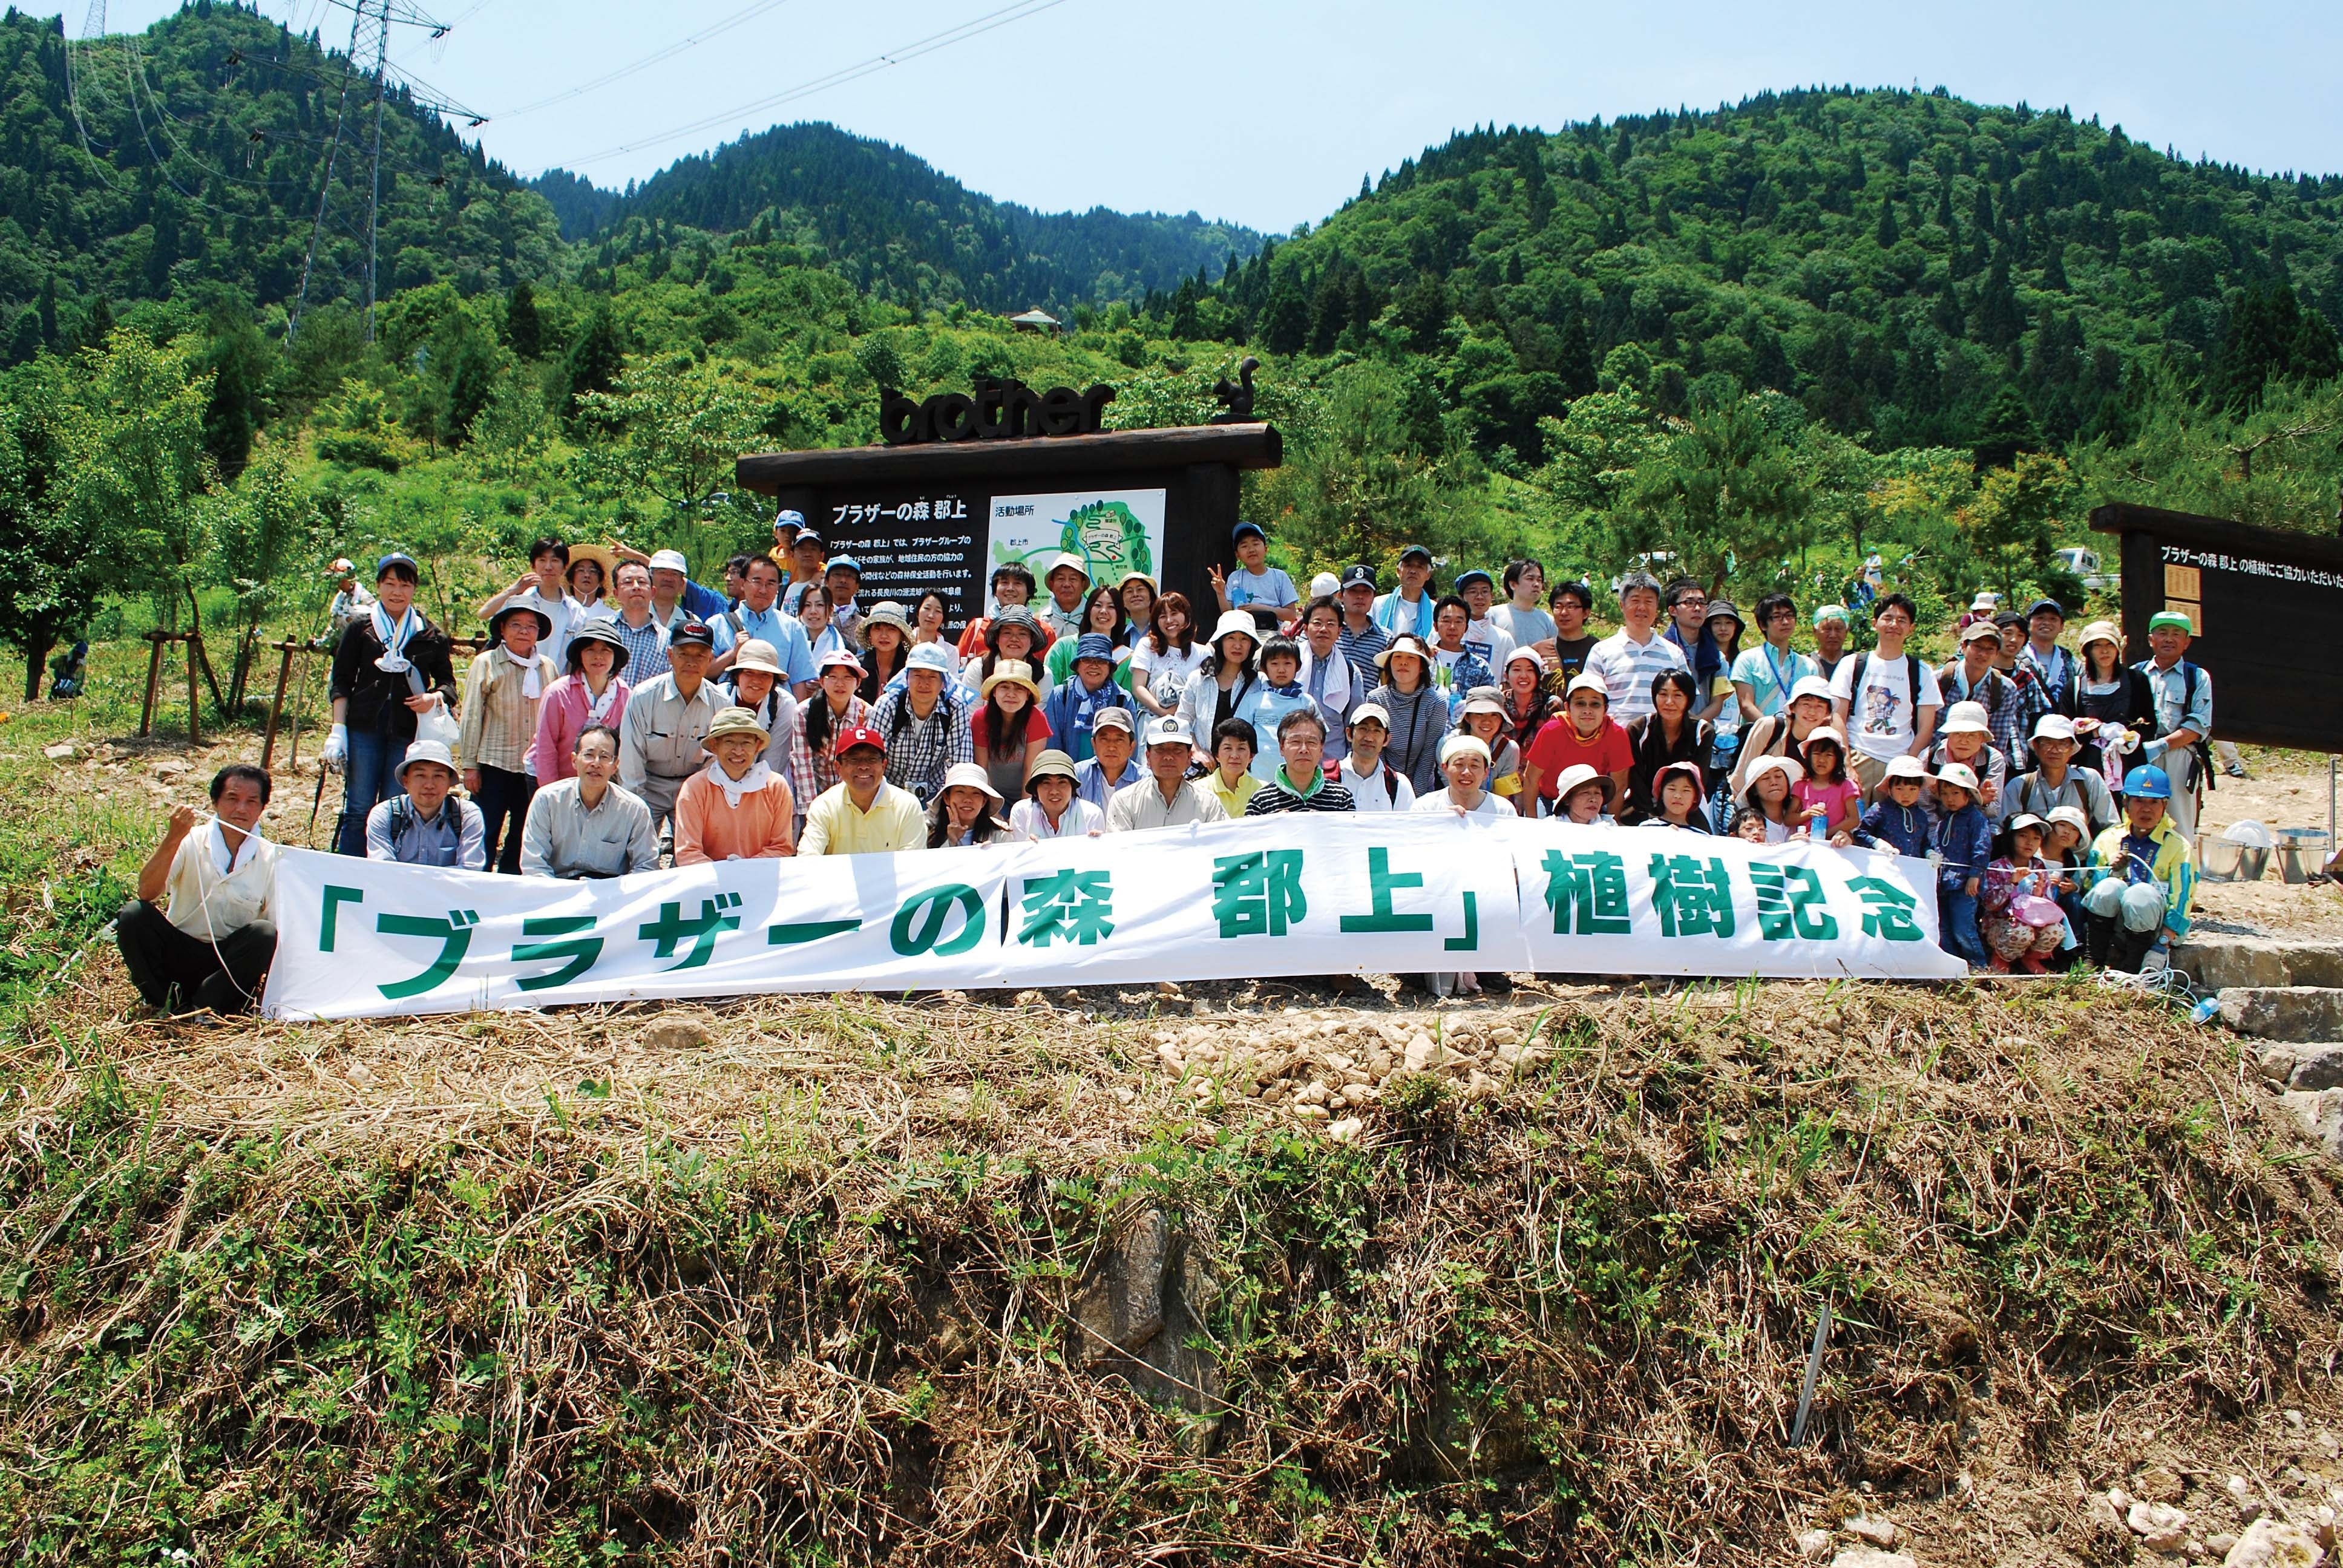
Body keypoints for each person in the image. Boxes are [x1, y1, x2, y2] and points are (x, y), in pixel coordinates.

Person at [324, 552, 459, 858]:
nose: (397, 592)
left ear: (414, 590)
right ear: (378, 586)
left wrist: (432, 698)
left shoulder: (428, 633)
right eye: (390, 584)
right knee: (358, 806)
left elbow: (448, 684)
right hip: (363, 727)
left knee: (392, 806)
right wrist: (338, 728)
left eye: (405, 585)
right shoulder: (361, 628)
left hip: (406, 730)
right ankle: (349, 870)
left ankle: (386, 873)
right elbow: (342, 680)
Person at [117, 764, 278, 1013]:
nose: (241, 809)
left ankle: (209, 1005)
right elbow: (147, 892)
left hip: (226, 965)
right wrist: (173, 838)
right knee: (134, 915)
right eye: (232, 799)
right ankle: (166, 1003)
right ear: (215, 801)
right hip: (180, 950)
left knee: (264, 932)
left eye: (252, 801)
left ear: (262, 808)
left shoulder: (271, 858)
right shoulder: (190, 840)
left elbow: (277, 926)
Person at [454, 602, 554, 874]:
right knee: (484, 832)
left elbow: (552, 718)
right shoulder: (486, 663)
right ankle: (475, 887)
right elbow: (473, 714)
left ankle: (510, 890)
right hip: (493, 763)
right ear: (502, 629)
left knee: (523, 836)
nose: (524, 631)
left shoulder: (547, 667)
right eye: (516, 625)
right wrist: (470, 765)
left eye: (531, 626)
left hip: (531, 769)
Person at [2079, 765, 2197, 973]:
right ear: (2125, 803)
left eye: (2154, 802)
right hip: (2114, 921)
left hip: (2157, 926)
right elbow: (2090, 888)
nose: (2147, 809)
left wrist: (2163, 942)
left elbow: (2183, 898)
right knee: (2109, 886)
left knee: (2140, 894)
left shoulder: (2178, 846)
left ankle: (2133, 968)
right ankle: (2092, 961)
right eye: (2139, 801)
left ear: (2165, 805)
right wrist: (2111, 872)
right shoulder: (2109, 839)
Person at [618, 620, 726, 838]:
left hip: (694, 786)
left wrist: (702, 799)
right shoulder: (643, 697)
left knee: (692, 860)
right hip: (649, 785)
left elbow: (717, 760)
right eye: (684, 653)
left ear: (710, 660)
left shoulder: (722, 704)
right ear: (669, 655)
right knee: (635, 855)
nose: (691, 662)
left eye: (700, 655)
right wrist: (635, 811)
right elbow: (631, 759)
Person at [1830, 593, 1942, 799]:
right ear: (1875, 623)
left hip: (1898, 760)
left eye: (1902, 620)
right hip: (1856, 755)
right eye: (1888, 618)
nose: (1894, 625)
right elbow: (1838, 716)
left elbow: (1926, 726)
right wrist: (1846, 761)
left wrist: (1908, 763)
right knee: (1849, 824)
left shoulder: (1921, 671)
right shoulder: (1852, 664)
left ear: (1912, 628)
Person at [522, 725, 660, 879]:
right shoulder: (547, 801)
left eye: (605, 757)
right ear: (574, 760)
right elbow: (533, 865)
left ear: (615, 766)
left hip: (610, 894)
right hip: (557, 891)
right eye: (589, 755)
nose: (596, 763)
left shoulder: (635, 810)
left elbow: (646, 867)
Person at [670, 707, 797, 865]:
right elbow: (688, 853)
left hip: (761, 877)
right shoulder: (695, 788)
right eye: (729, 742)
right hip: (709, 883)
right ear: (715, 746)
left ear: (757, 746)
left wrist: (744, 871)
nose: (738, 751)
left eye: (746, 743)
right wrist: (725, 877)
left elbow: (781, 847)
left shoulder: (776, 787)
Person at [2135, 609, 2214, 844]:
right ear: (2151, 640)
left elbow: (2198, 726)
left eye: (2176, 634)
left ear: (2187, 642)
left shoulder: (2198, 677)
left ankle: (2182, 875)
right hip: (2138, 755)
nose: (2169, 639)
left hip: (2180, 755)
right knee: (2137, 816)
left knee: (2179, 822)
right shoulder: (2134, 674)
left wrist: (2161, 745)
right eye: (2163, 633)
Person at [871, 642, 975, 805]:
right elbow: (872, 759)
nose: (924, 683)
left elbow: (960, 767)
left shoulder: (955, 707)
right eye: (917, 675)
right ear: (907, 678)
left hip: (934, 796)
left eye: (932, 676)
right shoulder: (888, 705)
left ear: (943, 683)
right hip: (888, 794)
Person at [531, 621, 631, 788]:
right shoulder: (558, 692)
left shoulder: (625, 694)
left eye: (606, 650)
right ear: (580, 655)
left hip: (596, 782)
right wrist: (551, 793)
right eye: (590, 650)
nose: (598, 657)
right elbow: (546, 747)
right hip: (552, 778)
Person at [799, 725, 923, 855]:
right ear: (838, 767)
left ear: (884, 765)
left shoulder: (907, 806)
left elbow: (912, 866)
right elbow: (808, 858)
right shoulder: (825, 806)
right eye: (854, 760)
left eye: (872, 759)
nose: (863, 766)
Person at [2059, 619, 2154, 786]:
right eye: (2097, 645)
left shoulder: (2137, 681)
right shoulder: (2074, 687)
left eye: (2109, 645)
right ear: (2088, 650)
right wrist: (2098, 732)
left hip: (2130, 764)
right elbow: (2066, 731)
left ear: (2117, 648)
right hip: (2088, 768)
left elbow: (2150, 723)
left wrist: (2128, 737)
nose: (2104, 651)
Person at [1521, 672, 1631, 816]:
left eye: (1595, 704)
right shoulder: (1551, 731)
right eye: (1580, 703)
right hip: (1550, 800)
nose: (1587, 710)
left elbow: (1619, 786)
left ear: (1605, 709)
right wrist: (1532, 821)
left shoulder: (1617, 735)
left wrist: (1613, 823)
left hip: (1594, 804)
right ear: (1567, 708)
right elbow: (1531, 778)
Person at [1585, 570, 1687, 725]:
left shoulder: (1674, 654)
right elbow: (1588, 697)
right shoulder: (1601, 651)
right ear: (1622, 605)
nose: (1642, 607)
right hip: (1616, 740)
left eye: (1649, 601)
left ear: (1657, 607)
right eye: (1635, 600)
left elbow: (1686, 698)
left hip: (1661, 743)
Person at [367, 740, 487, 868]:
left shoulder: (466, 816)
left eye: (438, 776)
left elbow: (471, 869)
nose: (429, 785)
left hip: (447, 889)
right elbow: (381, 870)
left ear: (449, 782)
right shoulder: (385, 815)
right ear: (406, 781)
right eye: (420, 775)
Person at [790, 648, 874, 828]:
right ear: (821, 681)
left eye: (848, 678)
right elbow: (803, 764)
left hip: (853, 795)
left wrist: (845, 805)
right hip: (815, 791)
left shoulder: (866, 714)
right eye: (833, 677)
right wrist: (812, 811)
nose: (840, 684)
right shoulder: (804, 712)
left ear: (858, 684)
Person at [1981, 813, 2071, 974]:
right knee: (2022, 931)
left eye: (2036, 838)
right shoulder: (1997, 867)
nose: (2030, 843)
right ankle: (2001, 957)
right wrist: (2011, 883)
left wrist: (2038, 894)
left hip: (2034, 923)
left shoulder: (2038, 866)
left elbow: (2048, 903)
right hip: (2000, 924)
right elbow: (1989, 904)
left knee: (2055, 930)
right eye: (2023, 836)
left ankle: (2030, 959)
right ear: (2011, 838)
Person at [1622, 670, 1714, 826]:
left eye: (1678, 695)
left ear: (1689, 699)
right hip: (1642, 808)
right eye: (1663, 694)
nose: (1669, 702)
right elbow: (1635, 778)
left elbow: (1698, 780)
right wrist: (1655, 817)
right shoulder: (1638, 729)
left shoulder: (1703, 731)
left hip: (1685, 809)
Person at [1109, 716, 1230, 831]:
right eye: (1160, 749)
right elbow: (1119, 848)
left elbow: (1222, 847)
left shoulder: (1208, 803)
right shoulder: (1124, 801)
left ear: (1189, 758)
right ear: (1148, 757)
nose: (1168, 757)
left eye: (1177, 750)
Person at [1365, 635, 1449, 798]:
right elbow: (1377, 749)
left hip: (1420, 784)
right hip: (1380, 781)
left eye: (1411, 658)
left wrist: (1414, 797)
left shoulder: (1435, 702)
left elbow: (1429, 753)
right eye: (1397, 657)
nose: (1403, 662)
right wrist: (1386, 787)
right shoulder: (1376, 698)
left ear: (1422, 667)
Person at [2007, 715, 2118, 835]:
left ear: (2071, 749)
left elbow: (2112, 827)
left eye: (2062, 744)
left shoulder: (2089, 779)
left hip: (2079, 853)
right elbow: (2005, 828)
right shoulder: (2019, 786)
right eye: (2047, 743)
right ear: (2036, 747)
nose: (2055, 750)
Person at [710, 556, 809, 690]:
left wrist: (796, 711)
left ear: (778, 588)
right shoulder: (718, 624)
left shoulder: (792, 628)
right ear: (743, 584)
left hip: (777, 708)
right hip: (730, 707)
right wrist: (733, 653)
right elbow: (704, 672)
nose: (763, 590)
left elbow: (798, 681)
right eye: (757, 582)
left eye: (771, 583)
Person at [477, 538, 574, 668]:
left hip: (552, 681)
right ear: (533, 566)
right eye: (542, 560)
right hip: (514, 677)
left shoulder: (575, 610)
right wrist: (514, 589)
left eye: (555, 561)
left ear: (565, 568)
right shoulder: (520, 599)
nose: (548, 567)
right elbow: (483, 613)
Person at [1041, 633, 1135, 765]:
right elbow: (1053, 745)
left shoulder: (1123, 698)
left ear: (1110, 667)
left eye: (1101, 661)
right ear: (1078, 665)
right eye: (1087, 660)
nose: (1094, 666)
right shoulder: (1061, 695)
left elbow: (1130, 750)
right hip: (1069, 776)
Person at [1178, 612, 1262, 759]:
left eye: (1244, 639)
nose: (1238, 645)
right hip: (1204, 767)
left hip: (1243, 769)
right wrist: (1196, 751)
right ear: (1220, 642)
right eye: (1231, 638)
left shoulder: (1260, 683)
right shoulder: (1198, 679)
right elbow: (1182, 721)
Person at [1938, 619, 2025, 763]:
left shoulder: (2005, 689)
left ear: (1997, 653)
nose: (1983, 654)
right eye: (1978, 647)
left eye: (1990, 649)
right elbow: (1931, 731)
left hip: (1978, 764)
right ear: (1963, 647)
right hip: (1937, 760)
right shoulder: (1940, 680)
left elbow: (1998, 740)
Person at [1734, 676, 1835, 797]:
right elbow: (1743, 772)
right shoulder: (1770, 727)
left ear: (1827, 712)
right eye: (1806, 704)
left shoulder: (1828, 740)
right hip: (1756, 804)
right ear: (1793, 707)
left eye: (1820, 706)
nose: (1812, 712)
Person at [1232, 635, 1316, 780]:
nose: (1281, 670)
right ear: (1264, 668)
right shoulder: (1254, 700)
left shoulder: (1306, 702)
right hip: (1257, 778)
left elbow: (1319, 738)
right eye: (1275, 664)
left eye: (1288, 663)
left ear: (1298, 667)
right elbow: (1238, 734)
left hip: (1297, 779)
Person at [1931, 762, 1990, 966]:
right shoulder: (1944, 821)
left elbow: (1981, 848)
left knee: (1963, 928)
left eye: (1956, 793)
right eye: (1945, 793)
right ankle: (1953, 966)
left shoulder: (1976, 819)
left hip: (1964, 884)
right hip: (1944, 883)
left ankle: (1979, 966)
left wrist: (1975, 875)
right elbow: (1937, 847)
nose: (1950, 799)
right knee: (1944, 928)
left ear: (1968, 795)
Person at [1244, 708, 1357, 814]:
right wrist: (1274, 825)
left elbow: (1350, 834)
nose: (1304, 750)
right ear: (1282, 747)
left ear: (1321, 749)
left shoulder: (1342, 797)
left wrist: (1325, 825)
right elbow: (1250, 835)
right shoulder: (1260, 801)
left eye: (1311, 742)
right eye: (1295, 742)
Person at [719, 638, 802, 777]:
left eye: (765, 675)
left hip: (762, 782)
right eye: (749, 673)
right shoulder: (718, 697)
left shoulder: (784, 704)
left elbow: (775, 760)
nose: (757, 681)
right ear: (737, 675)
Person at [972, 659, 1051, 803]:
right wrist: (992, 810)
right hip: (989, 794)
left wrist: (1022, 811)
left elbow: (1030, 770)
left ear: (1028, 695)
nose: (1011, 694)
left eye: (1019, 688)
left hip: (1028, 795)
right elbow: (982, 768)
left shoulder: (1037, 719)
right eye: (1004, 687)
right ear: (994, 692)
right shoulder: (980, 718)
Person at [1731, 593, 1812, 724]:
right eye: (1777, 617)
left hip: (1798, 738)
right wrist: (1773, 731)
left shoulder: (1808, 665)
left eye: (1790, 615)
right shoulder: (1747, 660)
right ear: (1763, 625)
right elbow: (1746, 705)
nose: (1785, 622)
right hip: (1759, 737)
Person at [1923, 702, 2008, 825]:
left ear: (1983, 738)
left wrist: (1983, 802)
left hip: (1975, 826)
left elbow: (1993, 811)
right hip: (1937, 825)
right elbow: (1924, 807)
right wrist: (1937, 837)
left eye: (1972, 735)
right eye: (1957, 733)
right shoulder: (1929, 757)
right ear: (1948, 734)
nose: (1964, 741)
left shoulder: (1993, 760)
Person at [1296, 596, 1357, 765]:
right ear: (1305, 629)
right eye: (1317, 623)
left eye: (1331, 624)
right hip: (1292, 756)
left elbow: (1353, 724)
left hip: (1332, 761)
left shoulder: (1351, 671)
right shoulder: (1288, 663)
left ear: (1339, 631)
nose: (1323, 629)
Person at [1039, 584, 1132, 691]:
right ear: (1088, 610)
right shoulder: (1063, 647)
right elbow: (1049, 691)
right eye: (1098, 605)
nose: (1103, 611)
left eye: (1111, 607)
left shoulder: (1128, 658)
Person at [1131, 590, 1207, 717]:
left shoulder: (1203, 653)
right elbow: (1138, 687)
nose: (1169, 620)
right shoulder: (1146, 645)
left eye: (1174, 613)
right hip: (1153, 722)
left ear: (1186, 615)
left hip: (1189, 724)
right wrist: (1164, 713)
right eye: (1162, 616)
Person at [1852, 754, 1936, 859]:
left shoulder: (1921, 816)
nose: (1906, 795)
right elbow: (1859, 833)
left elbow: (1923, 843)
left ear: (1920, 790)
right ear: (1889, 789)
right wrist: (1876, 843)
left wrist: (1929, 853)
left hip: (1912, 871)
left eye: (1913, 789)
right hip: (1883, 866)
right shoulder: (1879, 810)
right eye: (1900, 789)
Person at [1337, 702, 1416, 812]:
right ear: (1349, 734)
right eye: (1363, 729)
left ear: (1386, 739)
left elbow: (1407, 827)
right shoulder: (1327, 778)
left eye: (1377, 731)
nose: (1369, 738)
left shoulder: (1399, 785)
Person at [964, 605, 1050, 705]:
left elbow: (1039, 715)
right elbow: (971, 713)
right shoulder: (978, 667)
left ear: (1032, 642)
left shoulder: (1043, 673)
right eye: (1007, 633)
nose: (1014, 639)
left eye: (1022, 634)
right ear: (997, 639)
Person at [956, 562, 1043, 660]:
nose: (1010, 589)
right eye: (1004, 583)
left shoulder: (1044, 630)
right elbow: (958, 665)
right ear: (995, 590)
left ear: (1029, 592)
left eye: (1018, 583)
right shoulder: (976, 628)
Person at [1453, 690, 1524, 808]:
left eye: (1494, 715)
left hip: (1491, 812)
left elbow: (1503, 796)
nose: (1487, 721)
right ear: (1468, 718)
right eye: (1479, 714)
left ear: (1502, 719)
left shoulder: (1510, 749)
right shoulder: (1449, 743)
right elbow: (1450, 788)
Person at [605, 560, 673, 684]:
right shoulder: (602, 629)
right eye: (628, 582)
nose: (636, 587)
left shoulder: (667, 639)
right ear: (616, 594)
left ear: (653, 592)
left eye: (642, 582)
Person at [1011, 750, 1104, 840]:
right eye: (1046, 783)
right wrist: (1025, 848)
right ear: (1036, 789)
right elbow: (1016, 853)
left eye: (1062, 783)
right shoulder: (1022, 812)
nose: (1054, 791)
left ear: (1072, 787)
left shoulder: (1091, 814)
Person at [1414, 733, 1511, 818]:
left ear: (1486, 772)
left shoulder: (1503, 811)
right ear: (1445, 768)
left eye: (1474, 766)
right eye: (1459, 765)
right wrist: (1441, 821)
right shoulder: (1424, 808)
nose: (1466, 772)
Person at [1214, 521, 1299, 618]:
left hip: (1271, 631)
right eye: (1244, 546)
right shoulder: (1235, 577)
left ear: (1266, 549)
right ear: (1237, 555)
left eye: (1256, 544)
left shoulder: (1279, 577)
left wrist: (1262, 609)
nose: (1251, 550)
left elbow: (1291, 615)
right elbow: (1228, 615)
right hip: (1242, 630)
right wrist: (1220, 593)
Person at [1424, 595, 1493, 710]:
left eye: (1458, 622)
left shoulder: (1479, 666)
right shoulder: (1423, 659)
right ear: (1436, 626)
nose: (1452, 627)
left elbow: (1490, 703)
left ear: (1466, 627)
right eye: (1446, 621)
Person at [1794, 728, 1862, 842]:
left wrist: (1827, 833)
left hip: (1834, 844)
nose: (1822, 760)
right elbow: (1789, 819)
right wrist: (1808, 813)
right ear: (1808, 756)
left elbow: (1854, 819)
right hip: (1804, 843)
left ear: (1838, 759)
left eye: (1829, 755)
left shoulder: (1846, 786)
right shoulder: (1801, 786)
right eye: (1816, 754)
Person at [1490, 559, 1557, 670]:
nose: (1536, 584)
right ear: (1513, 584)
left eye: (1539, 580)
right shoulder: (1493, 615)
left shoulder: (1548, 621)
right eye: (1530, 579)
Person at [925, 762, 1012, 848]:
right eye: (960, 792)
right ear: (947, 798)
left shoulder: (1001, 836)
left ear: (984, 801)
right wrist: (951, 842)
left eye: (976, 793)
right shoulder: (926, 829)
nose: (968, 799)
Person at [644, 546, 729, 633]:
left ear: (682, 582)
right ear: (650, 578)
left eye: (674, 574)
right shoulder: (635, 615)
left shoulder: (692, 622)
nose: (668, 578)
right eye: (662, 572)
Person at [1073, 706, 1142, 812]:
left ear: (1131, 747)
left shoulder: (1144, 780)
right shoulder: (1077, 776)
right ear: (1094, 744)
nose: (1111, 747)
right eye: (1104, 739)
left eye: (1119, 740)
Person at [1334, 564, 1393, 685]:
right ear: (1340, 595)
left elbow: (1388, 682)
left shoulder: (1386, 638)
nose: (1360, 596)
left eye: (1366, 592)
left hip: (1365, 703)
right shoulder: (1325, 628)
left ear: (1374, 597)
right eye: (1353, 591)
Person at [1452, 569, 1518, 672]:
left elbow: (1509, 678)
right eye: (1473, 592)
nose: (1480, 597)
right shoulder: (1446, 631)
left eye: (1485, 591)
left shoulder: (1504, 639)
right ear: (1461, 598)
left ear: (1492, 597)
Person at [1730, 754, 1804, 844]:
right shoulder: (1748, 825)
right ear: (1754, 789)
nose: (1774, 782)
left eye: (1778, 776)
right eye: (1765, 778)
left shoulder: (1801, 817)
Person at [2016, 597, 2076, 707]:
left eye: (2053, 619)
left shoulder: (2071, 661)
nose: (2047, 623)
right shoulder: (2015, 658)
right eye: (2040, 618)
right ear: (2028, 624)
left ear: (2062, 627)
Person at [1372, 544, 1438, 639]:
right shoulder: (1378, 605)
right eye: (1408, 565)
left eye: (1420, 567)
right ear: (1398, 571)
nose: (1413, 571)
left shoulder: (1436, 611)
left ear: (1428, 575)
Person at [1205, 717, 1265, 816]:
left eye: (1241, 748)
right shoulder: (1199, 791)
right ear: (1217, 755)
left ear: (1251, 756)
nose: (1234, 756)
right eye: (1228, 748)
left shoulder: (1263, 791)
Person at [1545, 579, 1599, 689]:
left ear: (1586, 613)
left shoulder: (1599, 650)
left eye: (1571, 607)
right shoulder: (1539, 650)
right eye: (1558, 606)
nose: (1564, 613)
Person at [856, 601, 913, 702]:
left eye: (892, 629)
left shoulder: (910, 668)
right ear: (869, 633)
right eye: (877, 629)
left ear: (902, 635)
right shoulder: (857, 666)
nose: (884, 635)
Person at [1640, 760, 1714, 833]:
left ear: (1695, 797)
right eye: (1672, 789)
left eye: (1686, 790)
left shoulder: (1700, 836)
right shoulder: (1647, 828)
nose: (1678, 796)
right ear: (1661, 793)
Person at [1038, 552, 1093, 640]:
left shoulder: (1094, 617)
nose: (1067, 584)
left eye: (1073, 579)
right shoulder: (1040, 620)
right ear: (1052, 584)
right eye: (1061, 579)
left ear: (1083, 584)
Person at [794, 583, 850, 664]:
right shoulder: (792, 640)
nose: (813, 611)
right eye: (807, 605)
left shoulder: (841, 647)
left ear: (831, 610)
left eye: (819, 605)